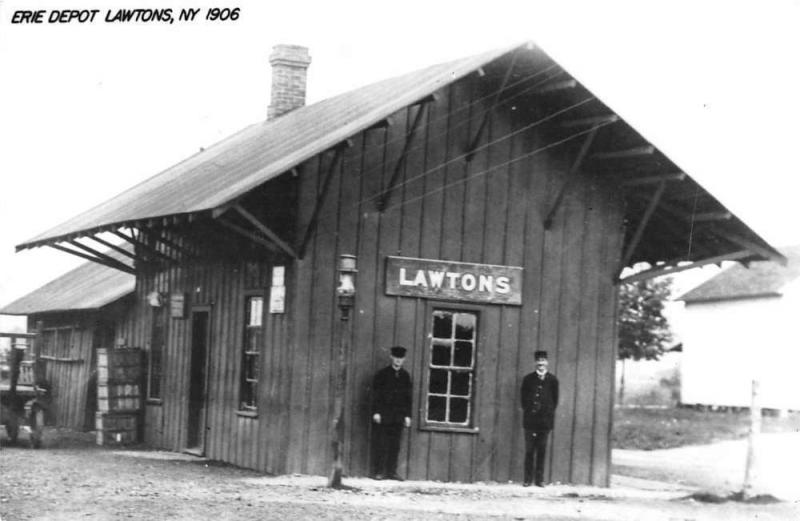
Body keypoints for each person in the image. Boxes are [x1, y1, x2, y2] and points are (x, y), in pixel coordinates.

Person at [371, 345, 412, 480]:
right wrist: (376, 412)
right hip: (384, 414)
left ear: (404, 359)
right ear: (391, 357)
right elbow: (375, 395)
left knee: (395, 445)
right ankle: (379, 471)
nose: (398, 361)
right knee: (382, 443)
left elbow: (408, 397)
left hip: (398, 415)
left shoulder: (405, 376)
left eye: (401, 358)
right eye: (396, 357)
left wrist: (407, 416)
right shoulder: (382, 375)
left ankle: (391, 472)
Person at [520, 350, 559, 487]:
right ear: (535, 362)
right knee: (529, 451)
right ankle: (527, 479)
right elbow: (523, 400)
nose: (541, 363)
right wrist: (531, 411)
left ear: (547, 362)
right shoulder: (528, 379)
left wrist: (546, 414)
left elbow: (555, 401)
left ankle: (539, 480)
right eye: (538, 361)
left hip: (544, 422)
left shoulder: (553, 380)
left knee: (541, 450)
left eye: (543, 360)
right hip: (530, 421)